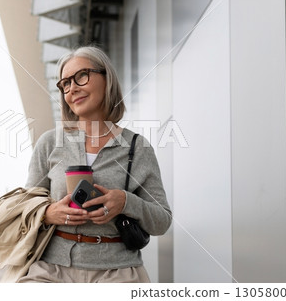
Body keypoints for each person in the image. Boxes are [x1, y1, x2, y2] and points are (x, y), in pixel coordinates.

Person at [17, 46, 172, 283]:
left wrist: (126, 202)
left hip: (116, 271)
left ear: (106, 79)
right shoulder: (50, 142)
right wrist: (48, 213)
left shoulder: (137, 147)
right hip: (51, 269)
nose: (72, 89)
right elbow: (25, 209)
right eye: (65, 83)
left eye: (81, 76)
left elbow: (162, 220)